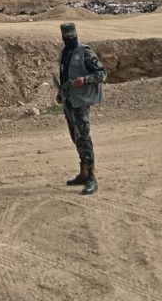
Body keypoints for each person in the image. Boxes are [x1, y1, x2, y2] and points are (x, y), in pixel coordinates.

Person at [56, 22, 106, 195]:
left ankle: (92, 177)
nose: (70, 39)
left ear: (76, 35)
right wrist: (61, 93)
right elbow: (64, 76)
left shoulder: (85, 52)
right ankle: (83, 172)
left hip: (81, 101)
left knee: (84, 137)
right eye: (67, 37)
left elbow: (102, 74)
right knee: (75, 137)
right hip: (69, 101)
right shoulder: (64, 53)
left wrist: (84, 80)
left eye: (72, 37)